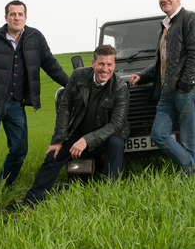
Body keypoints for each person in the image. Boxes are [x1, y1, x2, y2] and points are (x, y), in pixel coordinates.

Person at [0, 0, 69, 195]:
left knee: (19, 150)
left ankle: (2, 185)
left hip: (16, 105)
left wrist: (72, 85)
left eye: (20, 14)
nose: (16, 18)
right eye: (12, 14)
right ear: (6, 17)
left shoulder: (35, 37)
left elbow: (50, 64)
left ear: (25, 17)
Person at [23, 45, 130, 206]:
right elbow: (65, 106)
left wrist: (86, 140)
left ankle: (109, 196)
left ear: (114, 66)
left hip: (108, 133)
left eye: (109, 65)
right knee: (54, 154)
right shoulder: (79, 76)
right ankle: (30, 203)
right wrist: (58, 139)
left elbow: (116, 124)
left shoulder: (120, 88)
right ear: (93, 63)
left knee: (117, 143)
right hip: (80, 128)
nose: (105, 69)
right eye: (101, 64)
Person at [128, 0, 195, 181]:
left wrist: (185, 85)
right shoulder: (166, 27)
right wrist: (142, 75)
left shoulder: (190, 19)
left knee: (189, 139)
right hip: (168, 92)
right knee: (158, 134)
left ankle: (194, 183)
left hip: (186, 90)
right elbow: (162, 64)